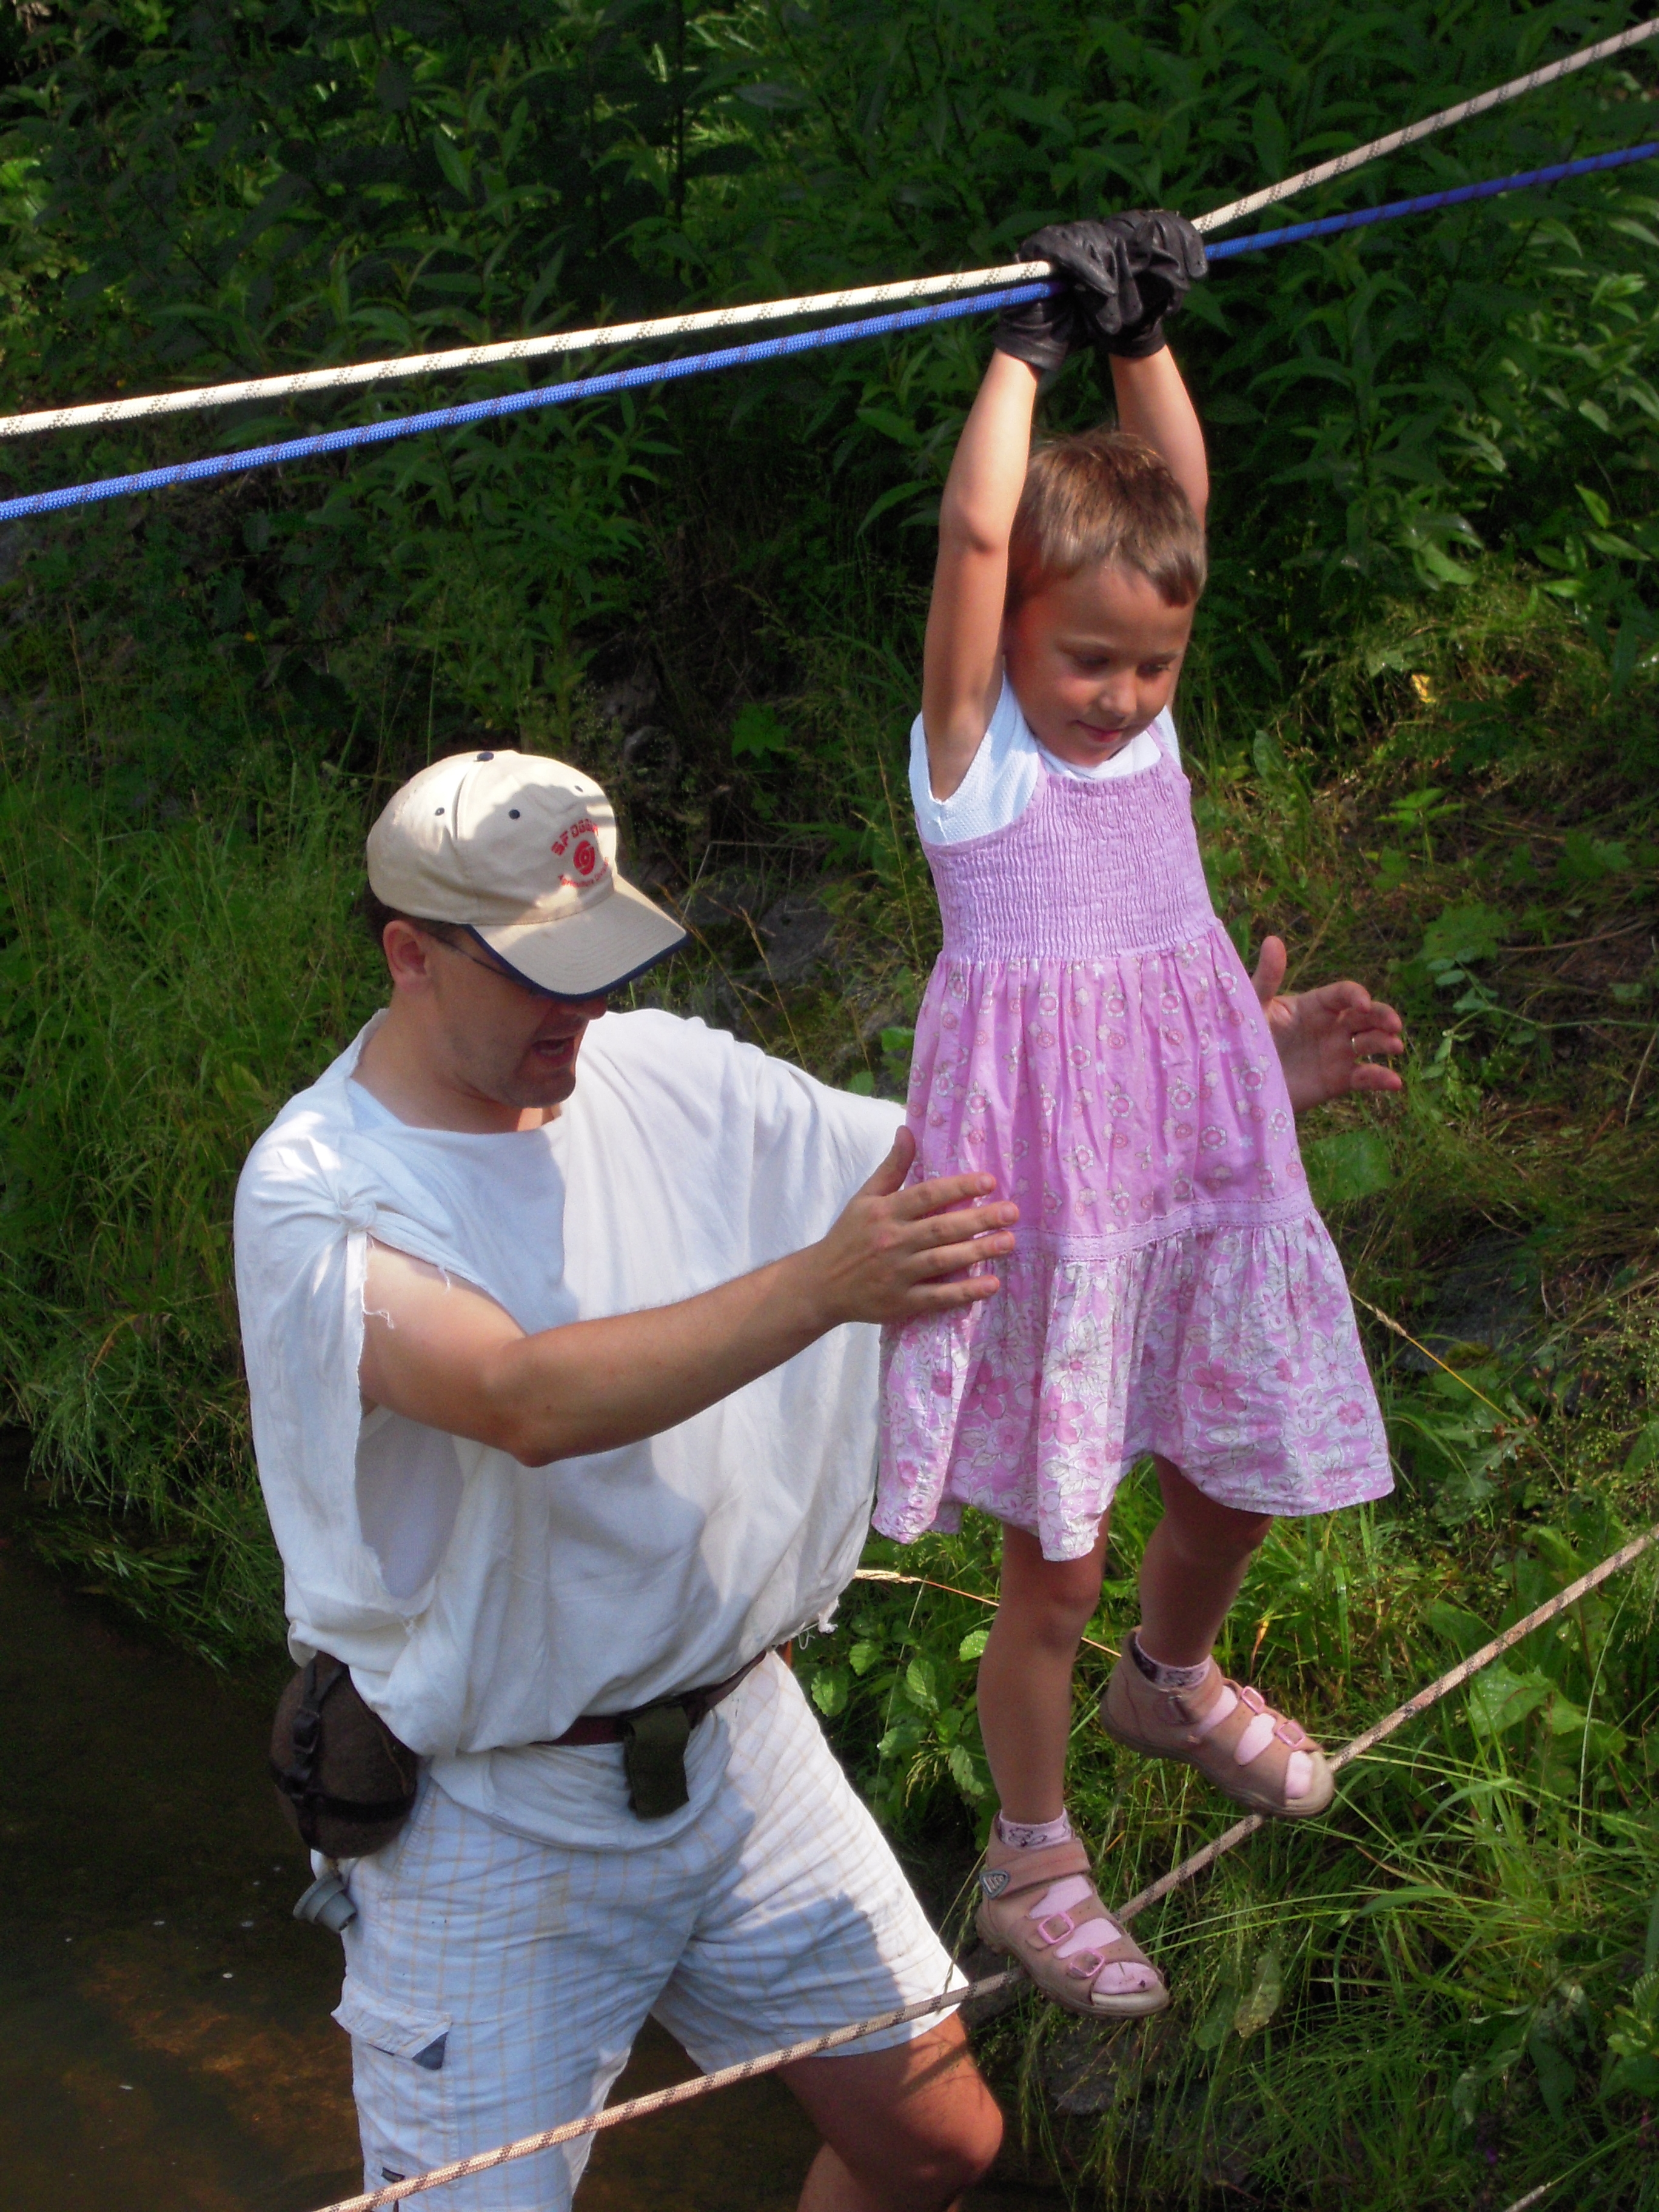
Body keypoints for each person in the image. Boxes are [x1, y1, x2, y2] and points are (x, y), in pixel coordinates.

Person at [235, 743, 1399, 2206]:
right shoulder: (321, 1191)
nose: (582, 1011)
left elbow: (964, 1184)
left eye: (600, 968)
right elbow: (516, 1397)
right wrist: (820, 1287)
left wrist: (1222, 1093)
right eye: (540, 978)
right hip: (496, 1815)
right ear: (412, 954)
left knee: (937, 2146)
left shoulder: (659, 1072)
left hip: (740, 1748)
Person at [874, 212, 1403, 2020]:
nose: (1119, 699)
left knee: (1234, 1469)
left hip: (1196, 1177)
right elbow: (973, 538)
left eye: (1148, 669)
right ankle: (1034, 1860)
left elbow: (1180, 502)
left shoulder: (1146, 732)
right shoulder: (976, 766)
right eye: (1085, 661)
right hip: (1061, 1225)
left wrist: (1143, 337)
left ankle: (1168, 1683)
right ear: (1012, 636)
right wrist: (1023, 360)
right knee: (1059, 1560)